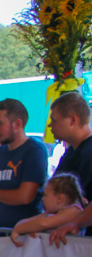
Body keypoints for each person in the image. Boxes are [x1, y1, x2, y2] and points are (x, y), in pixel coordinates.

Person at [0, 98, 47, 237]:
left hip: (24, 236)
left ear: (17, 124)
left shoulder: (34, 150)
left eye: (0, 124)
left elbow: (24, 196)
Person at [49, 93, 92, 245]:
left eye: (54, 120)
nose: (50, 126)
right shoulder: (71, 153)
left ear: (72, 120)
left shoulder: (89, 153)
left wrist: (76, 222)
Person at [11, 173, 86, 246]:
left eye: (45, 195)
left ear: (59, 198)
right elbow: (24, 222)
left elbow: (44, 224)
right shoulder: (52, 213)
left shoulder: (74, 211)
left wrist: (20, 229)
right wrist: (25, 228)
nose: (43, 199)